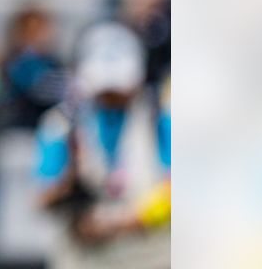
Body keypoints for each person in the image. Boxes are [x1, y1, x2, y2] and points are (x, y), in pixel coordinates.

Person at [36, 22, 170, 268]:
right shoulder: (61, 125)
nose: (110, 97)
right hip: (84, 256)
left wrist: (129, 221)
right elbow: (42, 195)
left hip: (149, 255)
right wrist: (67, 190)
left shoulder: (162, 119)